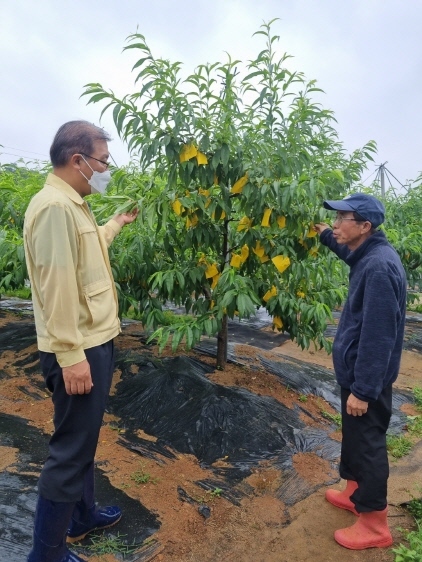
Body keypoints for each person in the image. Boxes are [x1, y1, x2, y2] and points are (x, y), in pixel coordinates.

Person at [23, 120, 138, 562]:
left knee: (83, 439)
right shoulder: (54, 207)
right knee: (70, 452)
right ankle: (46, 554)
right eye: (103, 161)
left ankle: (82, 516)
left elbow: (85, 256)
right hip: (78, 349)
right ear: (78, 161)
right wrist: (71, 356)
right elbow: (56, 288)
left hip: (94, 341)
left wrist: (116, 224)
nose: (107, 169)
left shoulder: (74, 204)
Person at [314, 193, 407, 550]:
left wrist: (364, 390)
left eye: (342, 220)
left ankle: (374, 523)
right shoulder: (368, 254)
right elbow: (350, 253)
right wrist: (325, 235)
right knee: (354, 436)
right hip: (354, 372)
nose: (336, 225)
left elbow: (378, 336)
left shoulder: (380, 268)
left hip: (366, 377)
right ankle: (353, 491)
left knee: (368, 444)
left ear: (364, 226)